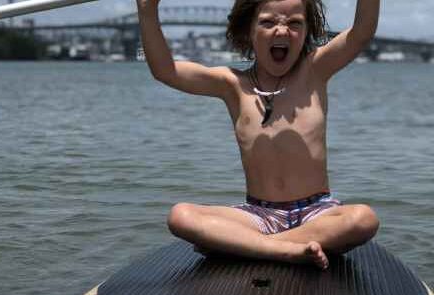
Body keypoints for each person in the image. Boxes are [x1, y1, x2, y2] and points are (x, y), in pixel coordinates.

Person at [136, 0, 380, 269]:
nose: (282, 31)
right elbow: (165, 71)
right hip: (259, 214)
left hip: (317, 213)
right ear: (248, 31)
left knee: (362, 219)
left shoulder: (315, 70)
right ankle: (286, 249)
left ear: (308, 31)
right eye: (268, 22)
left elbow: (362, 32)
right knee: (180, 216)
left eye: (295, 23)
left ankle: (249, 246)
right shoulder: (232, 85)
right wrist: (147, 10)